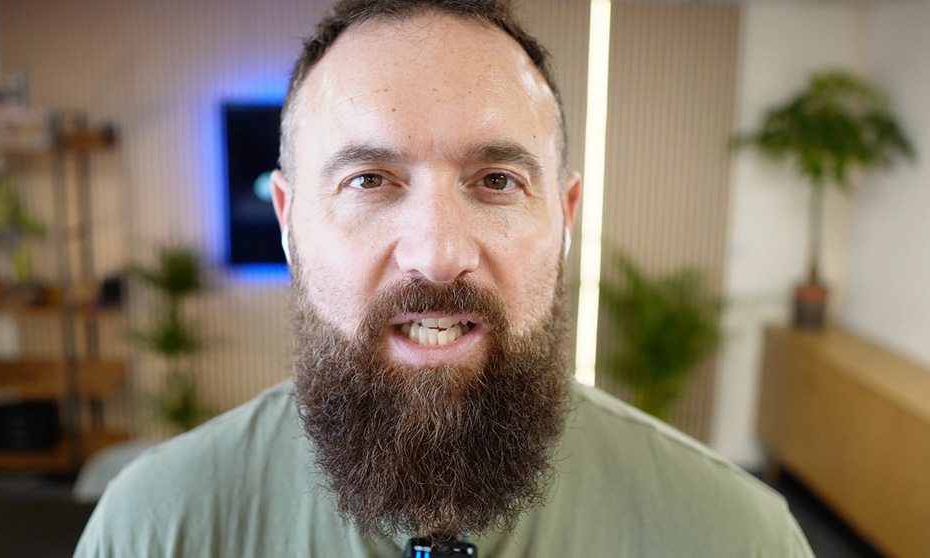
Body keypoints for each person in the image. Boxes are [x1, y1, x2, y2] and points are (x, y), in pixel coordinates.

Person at [75, 1, 815, 556]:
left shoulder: (737, 538)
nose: (435, 255)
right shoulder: (153, 531)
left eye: (496, 180)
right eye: (369, 180)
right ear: (288, 222)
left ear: (563, 218)